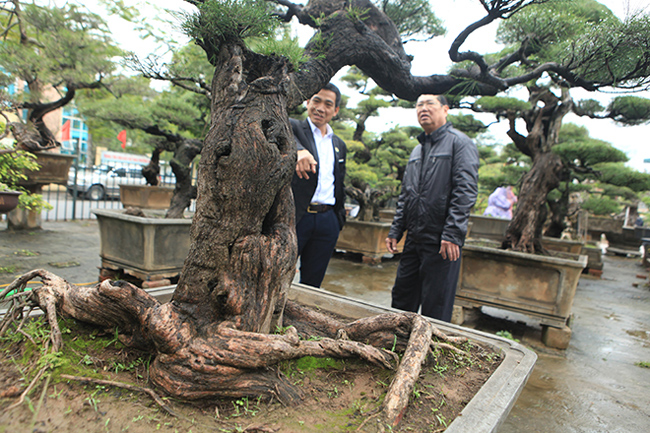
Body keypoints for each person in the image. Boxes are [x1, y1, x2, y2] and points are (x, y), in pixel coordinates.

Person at [385, 94, 479, 322]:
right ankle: (396, 347)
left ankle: (429, 353)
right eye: (419, 104)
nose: (423, 109)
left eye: (430, 104)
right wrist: (396, 230)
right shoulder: (417, 150)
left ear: (445, 109)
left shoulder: (460, 143)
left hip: (442, 241)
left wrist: (453, 233)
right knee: (401, 298)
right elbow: (406, 194)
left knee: (435, 304)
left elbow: (465, 190)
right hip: (415, 239)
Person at [290, 83, 347, 288]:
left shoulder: (339, 144)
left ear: (335, 110)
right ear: (307, 101)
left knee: (313, 282)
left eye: (328, 104)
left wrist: (338, 219)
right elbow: (280, 133)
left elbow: (340, 182)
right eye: (316, 100)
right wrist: (299, 151)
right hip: (297, 216)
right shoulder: (293, 127)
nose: (320, 108)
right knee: (280, 273)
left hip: (327, 219)